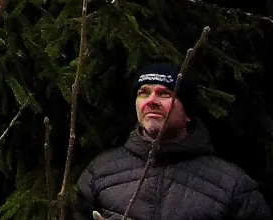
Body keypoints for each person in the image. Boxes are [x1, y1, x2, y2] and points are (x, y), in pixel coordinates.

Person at [76, 63, 270, 220]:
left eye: (164, 94)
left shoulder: (231, 184)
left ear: (187, 113)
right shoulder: (100, 172)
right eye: (143, 92)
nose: (151, 100)